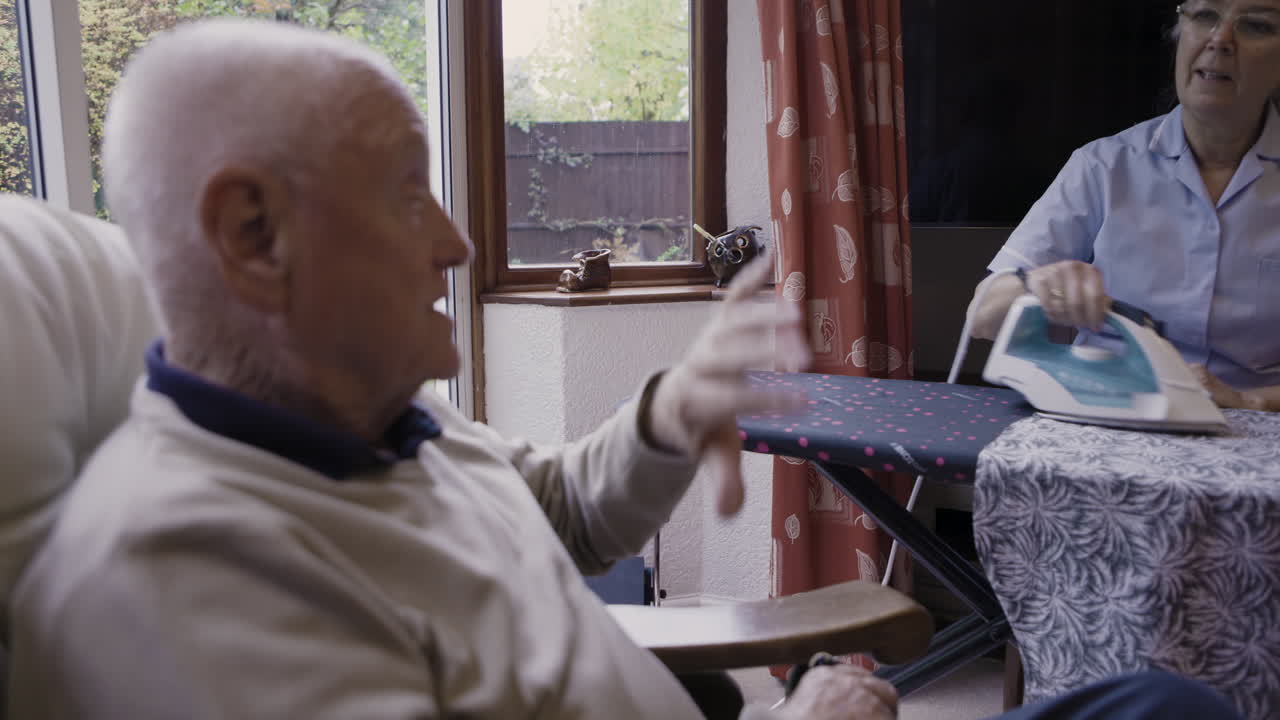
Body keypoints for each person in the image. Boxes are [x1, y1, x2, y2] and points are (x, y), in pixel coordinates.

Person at [3, 19, 1241, 720]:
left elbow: (547, 503)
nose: (456, 242)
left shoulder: (371, 422)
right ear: (253, 238)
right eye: (408, 196)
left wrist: (667, 412)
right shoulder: (187, 582)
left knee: (1165, 705)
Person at [970, 0, 1280, 414]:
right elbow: (983, 317)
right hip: (1105, 413)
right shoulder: (1102, 167)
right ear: (1178, 36)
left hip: (1254, 432)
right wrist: (1037, 284)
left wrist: (1249, 400)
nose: (1220, 40)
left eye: (1256, 26)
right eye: (1204, 16)